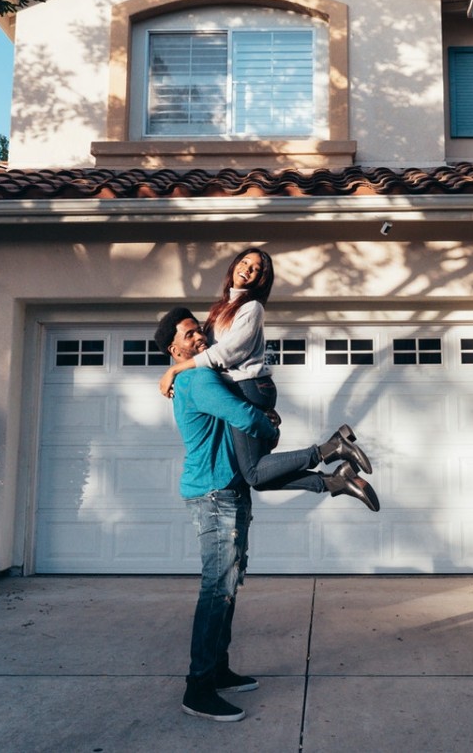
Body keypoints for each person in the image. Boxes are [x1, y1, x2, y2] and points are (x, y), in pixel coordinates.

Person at [155, 307, 376, 722]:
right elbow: (244, 418)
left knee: (229, 585)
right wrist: (268, 425)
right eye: (189, 335)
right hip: (214, 494)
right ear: (174, 348)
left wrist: (260, 420)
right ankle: (198, 688)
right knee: (216, 590)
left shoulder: (204, 376)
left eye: (199, 331)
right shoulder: (198, 377)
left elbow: (244, 430)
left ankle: (217, 670)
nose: (199, 338)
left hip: (229, 489)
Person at [159, 248, 378, 508]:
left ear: (261, 280)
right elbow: (210, 354)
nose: (248, 269)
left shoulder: (251, 308)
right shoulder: (222, 308)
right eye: (244, 262)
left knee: (254, 472)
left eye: (257, 269)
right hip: (241, 387)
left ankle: (331, 449)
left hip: (249, 386)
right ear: (234, 266)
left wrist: (174, 370)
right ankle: (336, 481)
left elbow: (229, 352)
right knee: (259, 476)